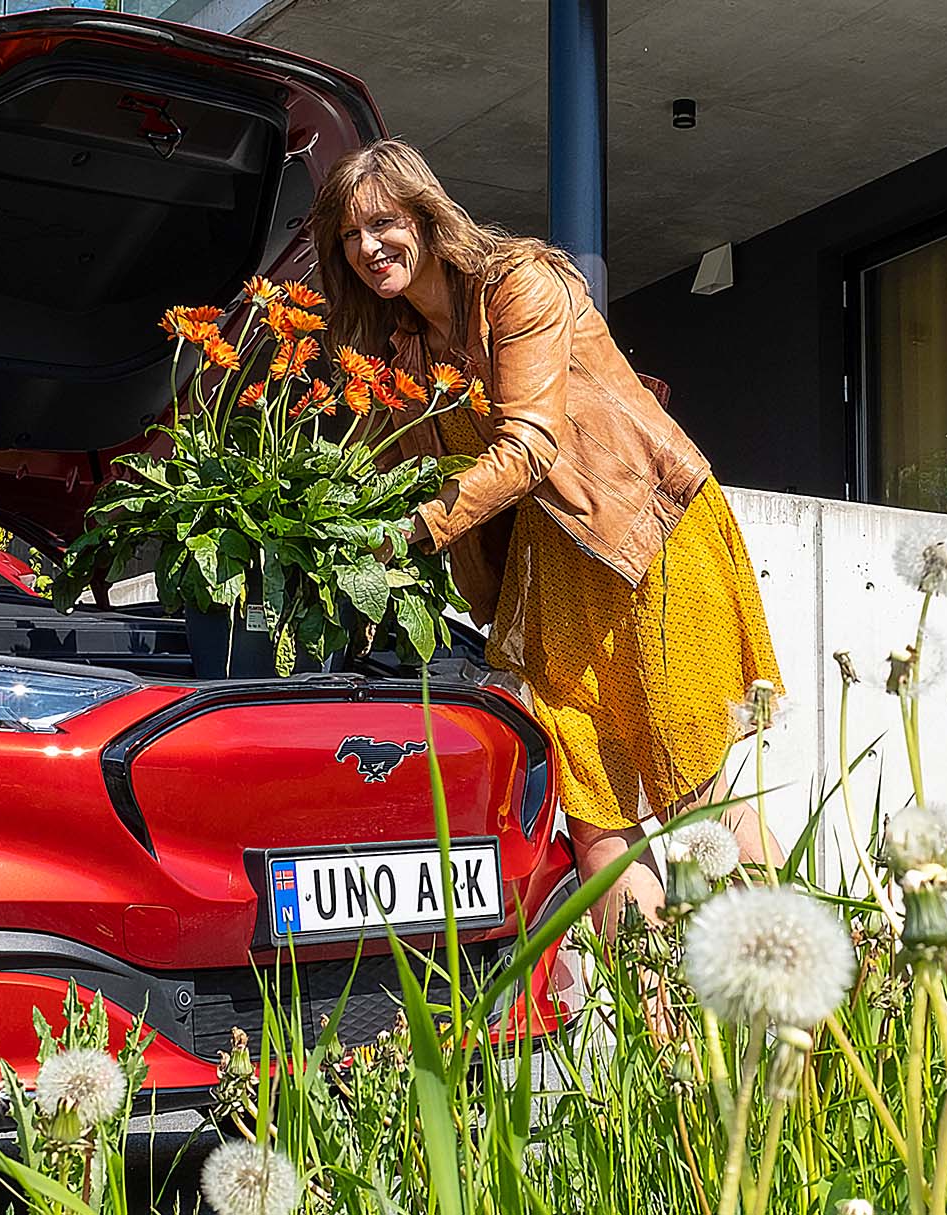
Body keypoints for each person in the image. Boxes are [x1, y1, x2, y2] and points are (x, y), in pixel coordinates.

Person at [308, 139, 784, 931]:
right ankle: (655, 1041)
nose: (367, 248)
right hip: (552, 574)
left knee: (696, 797)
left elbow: (530, 445)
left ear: (426, 218)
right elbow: (383, 476)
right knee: (593, 813)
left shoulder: (520, 285)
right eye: (349, 237)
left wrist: (410, 533)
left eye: (383, 223)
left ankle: (811, 1010)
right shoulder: (407, 352)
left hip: (647, 540)